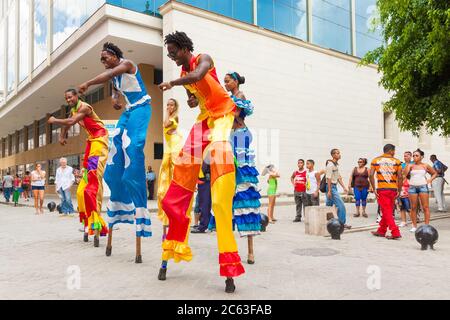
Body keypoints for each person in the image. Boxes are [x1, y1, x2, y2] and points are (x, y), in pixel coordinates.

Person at [157, 31, 244, 292]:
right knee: (182, 172)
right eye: (169, 53)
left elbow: (198, 76)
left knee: (219, 161)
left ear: (184, 48)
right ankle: (173, 243)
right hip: (204, 120)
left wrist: (172, 83)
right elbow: (196, 99)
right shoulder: (185, 74)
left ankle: (229, 268)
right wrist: (192, 98)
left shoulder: (203, 59)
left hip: (222, 116)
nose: (171, 56)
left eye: (173, 51)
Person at [78, 42, 152, 261]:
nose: (103, 62)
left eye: (105, 58)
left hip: (141, 108)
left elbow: (111, 73)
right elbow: (114, 85)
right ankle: (120, 199)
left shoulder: (127, 64)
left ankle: (136, 191)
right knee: (114, 154)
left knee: (133, 147)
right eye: (101, 59)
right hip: (128, 112)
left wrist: (88, 83)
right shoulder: (114, 76)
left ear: (114, 55)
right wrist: (115, 98)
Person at [48, 89, 108, 246]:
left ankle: (96, 219)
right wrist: (62, 136)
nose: (68, 100)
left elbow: (70, 122)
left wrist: (54, 120)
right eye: (66, 98)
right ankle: (88, 219)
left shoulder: (84, 108)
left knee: (93, 182)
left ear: (76, 96)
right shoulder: (73, 110)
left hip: (100, 140)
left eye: (70, 97)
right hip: (91, 141)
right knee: (82, 189)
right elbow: (68, 124)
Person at [224, 71, 261, 265]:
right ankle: (230, 249)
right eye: (224, 81)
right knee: (230, 191)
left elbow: (232, 115)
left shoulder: (239, 97)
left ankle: (250, 251)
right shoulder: (229, 97)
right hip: (232, 137)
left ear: (236, 82)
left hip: (240, 137)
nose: (225, 83)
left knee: (244, 188)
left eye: (228, 81)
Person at [157, 98, 184, 240]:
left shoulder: (174, 117)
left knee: (173, 189)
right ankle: (165, 229)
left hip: (174, 153)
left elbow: (166, 123)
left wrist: (167, 113)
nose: (168, 106)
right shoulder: (169, 117)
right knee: (163, 191)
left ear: (175, 106)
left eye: (171, 104)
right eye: (167, 104)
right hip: (167, 154)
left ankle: (174, 227)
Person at [369, 144, 403, 239]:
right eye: (394, 151)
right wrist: (399, 190)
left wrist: (374, 187)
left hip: (382, 189)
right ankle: (381, 230)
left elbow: (371, 175)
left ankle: (395, 232)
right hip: (393, 189)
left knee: (386, 211)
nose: (394, 153)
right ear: (391, 151)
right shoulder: (397, 161)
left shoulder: (375, 160)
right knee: (387, 211)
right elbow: (400, 177)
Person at [404, 149, 437, 232]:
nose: (414, 157)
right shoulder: (410, 165)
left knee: (425, 207)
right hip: (412, 187)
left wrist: (429, 180)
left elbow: (435, 173)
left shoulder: (425, 165)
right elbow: (404, 175)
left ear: (421, 157)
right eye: (414, 155)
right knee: (413, 207)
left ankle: (426, 226)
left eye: (417, 155)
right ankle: (414, 226)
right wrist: (407, 166)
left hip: (423, 187)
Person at [325, 149, 351, 229]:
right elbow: (328, 178)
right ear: (333, 155)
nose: (339, 154)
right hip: (330, 187)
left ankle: (328, 223)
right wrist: (329, 190)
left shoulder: (335, 165)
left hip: (334, 187)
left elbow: (338, 177)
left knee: (328, 206)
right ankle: (341, 224)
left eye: (339, 153)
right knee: (341, 205)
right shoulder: (330, 165)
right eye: (337, 153)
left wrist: (344, 187)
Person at [192, 160, 212, 234]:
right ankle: (204, 224)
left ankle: (203, 226)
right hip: (205, 180)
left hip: (206, 180)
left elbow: (203, 167)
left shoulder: (206, 152)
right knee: (204, 204)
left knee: (204, 204)